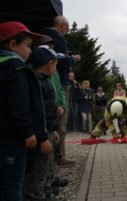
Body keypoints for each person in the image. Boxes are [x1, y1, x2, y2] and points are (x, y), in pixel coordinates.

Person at [0, 21, 43, 201]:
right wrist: (28, 132)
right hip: (13, 136)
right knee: (12, 185)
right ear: (12, 44)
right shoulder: (16, 69)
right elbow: (19, 105)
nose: (30, 51)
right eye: (27, 46)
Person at [26, 45, 63, 200]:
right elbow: (41, 113)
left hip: (46, 132)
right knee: (40, 171)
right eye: (56, 64)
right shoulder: (41, 84)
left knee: (47, 168)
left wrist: (53, 130)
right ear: (49, 64)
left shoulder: (36, 81)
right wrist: (44, 136)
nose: (56, 68)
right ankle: (37, 196)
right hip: (42, 134)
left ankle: (47, 194)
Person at [43, 16, 81, 166]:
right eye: (67, 28)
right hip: (60, 81)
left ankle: (52, 158)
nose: (67, 31)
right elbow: (62, 61)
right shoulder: (58, 38)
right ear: (63, 26)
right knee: (61, 120)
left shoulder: (46, 36)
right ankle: (59, 156)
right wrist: (74, 59)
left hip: (52, 80)